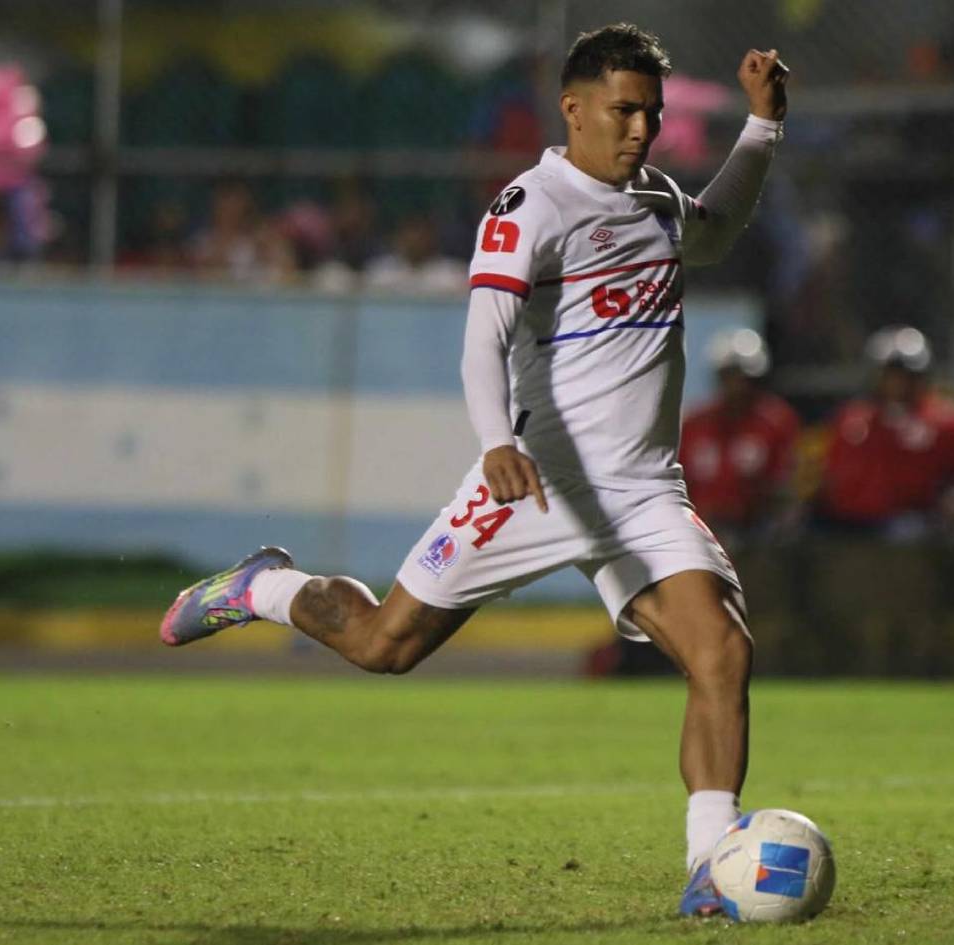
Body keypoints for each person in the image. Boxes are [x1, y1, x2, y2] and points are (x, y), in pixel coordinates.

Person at [159, 23, 788, 917]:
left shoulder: (654, 199)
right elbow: (482, 339)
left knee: (721, 651)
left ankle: (710, 873)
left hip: (643, 492)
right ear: (573, 109)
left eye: (650, 112)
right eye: (623, 110)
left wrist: (760, 131)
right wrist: (496, 440)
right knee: (386, 645)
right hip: (535, 482)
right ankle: (264, 586)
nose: (642, 129)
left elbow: (716, 235)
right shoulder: (530, 204)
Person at [815, 326, 954, 537]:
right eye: (891, 373)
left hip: (915, 522)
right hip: (847, 520)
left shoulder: (950, 420)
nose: (898, 382)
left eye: (906, 374)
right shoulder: (852, 418)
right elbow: (829, 474)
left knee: (903, 532)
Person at [679, 328, 802, 550]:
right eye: (730, 375)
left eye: (744, 377)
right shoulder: (695, 423)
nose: (737, 385)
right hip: (702, 530)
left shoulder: (776, 421)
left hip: (756, 532)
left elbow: (786, 482)